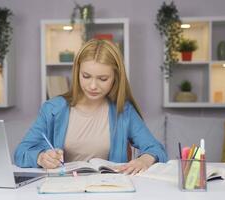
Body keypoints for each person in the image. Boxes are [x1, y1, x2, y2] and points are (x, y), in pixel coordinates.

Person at [14, 39, 167, 175]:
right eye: (86, 76)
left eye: (103, 79)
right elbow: (20, 153)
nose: (93, 86)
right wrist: (41, 158)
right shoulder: (53, 109)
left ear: (115, 78)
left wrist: (144, 160)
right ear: (77, 72)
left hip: (107, 190)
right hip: (62, 190)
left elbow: (156, 149)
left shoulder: (124, 111)